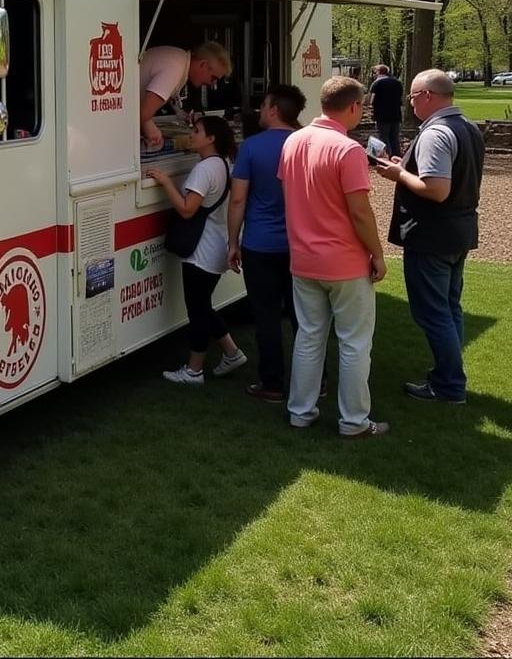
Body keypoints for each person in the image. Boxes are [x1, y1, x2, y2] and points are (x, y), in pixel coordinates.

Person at [278, 76, 389, 437]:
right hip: (344, 262)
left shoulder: (293, 141)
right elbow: (360, 211)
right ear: (354, 107)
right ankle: (354, 421)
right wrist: (377, 253)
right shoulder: (348, 149)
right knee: (355, 343)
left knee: (309, 337)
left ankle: (300, 411)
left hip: (303, 259)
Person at [374, 69, 484, 404]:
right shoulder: (467, 127)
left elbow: (436, 189)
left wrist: (397, 175)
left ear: (427, 96)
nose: (409, 102)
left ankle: (449, 385)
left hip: (432, 236)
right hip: (458, 233)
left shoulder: (437, 133)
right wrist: (405, 166)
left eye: (411, 96)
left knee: (434, 313)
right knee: (449, 308)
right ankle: (450, 377)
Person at [146, 115, 247, 385]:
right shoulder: (223, 163)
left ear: (211, 138)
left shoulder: (204, 169)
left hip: (201, 252)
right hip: (216, 246)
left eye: (197, 130)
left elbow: (187, 209)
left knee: (198, 310)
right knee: (203, 305)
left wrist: (165, 182)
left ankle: (194, 370)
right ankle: (231, 352)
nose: (191, 134)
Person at [226, 83, 307, 402]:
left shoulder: (251, 147)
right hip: (300, 244)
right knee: (305, 317)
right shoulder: (306, 144)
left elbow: (237, 200)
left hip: (259, 245)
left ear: (274, 110)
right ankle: (317, 381)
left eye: (263, 105)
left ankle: (272, 383)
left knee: (267, 316)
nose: (260, 110)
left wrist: (233, 241)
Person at [139, 41, 232, 151]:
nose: (211, 84)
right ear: (203, 64)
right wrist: (150, 127)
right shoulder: (175, 68)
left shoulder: (178, 59)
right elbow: (143, 113)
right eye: (213, 78)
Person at [367, 63, 403, 159]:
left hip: (382, 115)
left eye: (375, 72)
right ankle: (397, 157)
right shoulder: (397, 82)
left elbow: (371, 100)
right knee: (394, 137)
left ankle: (386, 158)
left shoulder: (376, 83)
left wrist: (370, 108)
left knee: (383, 137)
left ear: (378, 72)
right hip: (396, 114)